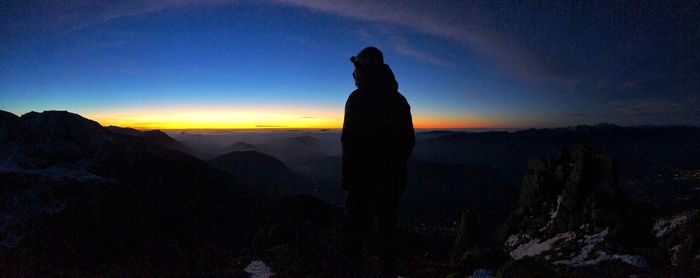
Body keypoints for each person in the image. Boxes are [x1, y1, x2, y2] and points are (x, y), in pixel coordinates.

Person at [341, 47, 415, 277]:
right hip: (391, 181)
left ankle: (354, 271)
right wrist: (392, 167)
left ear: (364, 70)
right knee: (387, 232)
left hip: (361, 182)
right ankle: (387, 272)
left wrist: (350, 180)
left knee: (355, 233)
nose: (353, 75)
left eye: (355, 69)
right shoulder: (399, 100)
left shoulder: (358, 99)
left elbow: (350, 144)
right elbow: (408, 142)